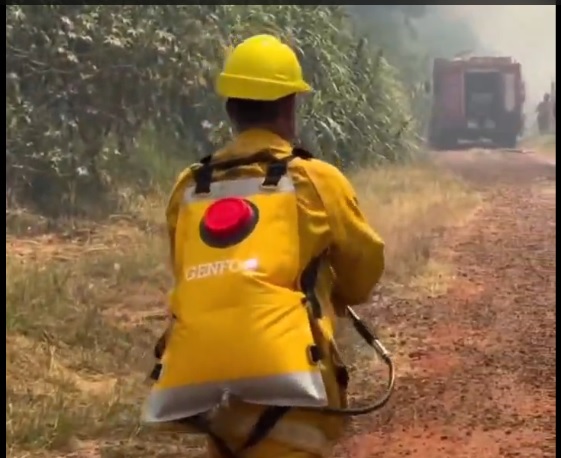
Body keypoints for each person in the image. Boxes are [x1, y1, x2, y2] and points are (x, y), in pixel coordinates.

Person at [143, 34, 385, 458]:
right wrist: (336, 291)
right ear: (290, 105)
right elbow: (363, 271)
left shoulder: (189, 186)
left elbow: (188, 271)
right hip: (296, 389)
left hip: (211, 395)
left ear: (230, 108)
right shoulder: (314, 179)